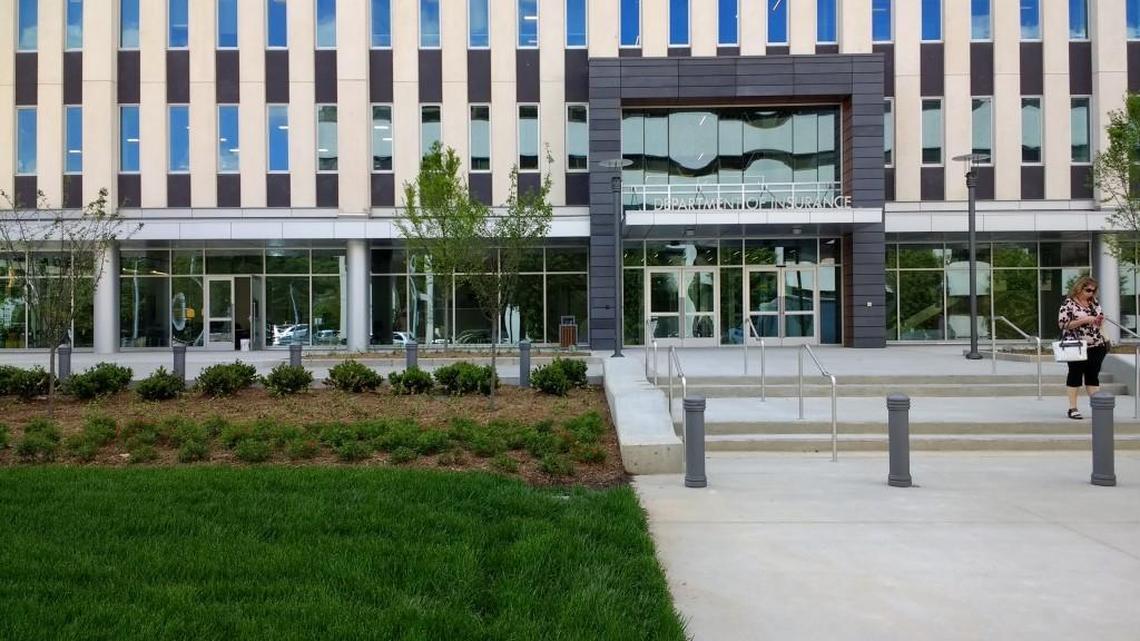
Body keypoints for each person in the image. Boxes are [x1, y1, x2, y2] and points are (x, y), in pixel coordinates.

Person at [1057, 276, 1108, 419]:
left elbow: (1099, 320)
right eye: (1088, 290)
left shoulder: (1094, 303)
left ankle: (1098, 408)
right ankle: (1073, 408)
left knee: (1093, 376)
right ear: (1079, 288)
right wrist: (1084, 320)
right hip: (1076, 345)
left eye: (1093, 291)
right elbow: (1063, 324)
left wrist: (1099, 320)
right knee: (1075, 374)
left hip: (1096, 344)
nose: (1090, 293)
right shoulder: (1068, 303)